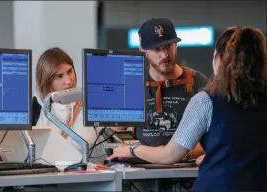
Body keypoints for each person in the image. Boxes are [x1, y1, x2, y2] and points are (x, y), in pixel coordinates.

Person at [108, 26, 267, 191]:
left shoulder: (206, 100)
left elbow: (169, 155)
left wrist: (133, 149)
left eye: (168, 46)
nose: (164, 54)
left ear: (218, 58)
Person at [111, 18, 209, 159]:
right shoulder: (132, 83)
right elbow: (116, 129)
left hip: (187, 172)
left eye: (168, 46)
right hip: (140, 174)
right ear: (142, 50)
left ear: (176, 45)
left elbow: (216, 133)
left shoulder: (197, 82)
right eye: (156, 49)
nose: (164, 55)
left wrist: (179, 153)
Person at [32, 47, 105, 162]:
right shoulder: (36, 108)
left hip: (89, 175)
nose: (69, 81)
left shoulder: (91, 104)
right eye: (59, 76)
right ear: (47, 81)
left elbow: (106, 148)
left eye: (70, 72)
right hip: (47, 176)